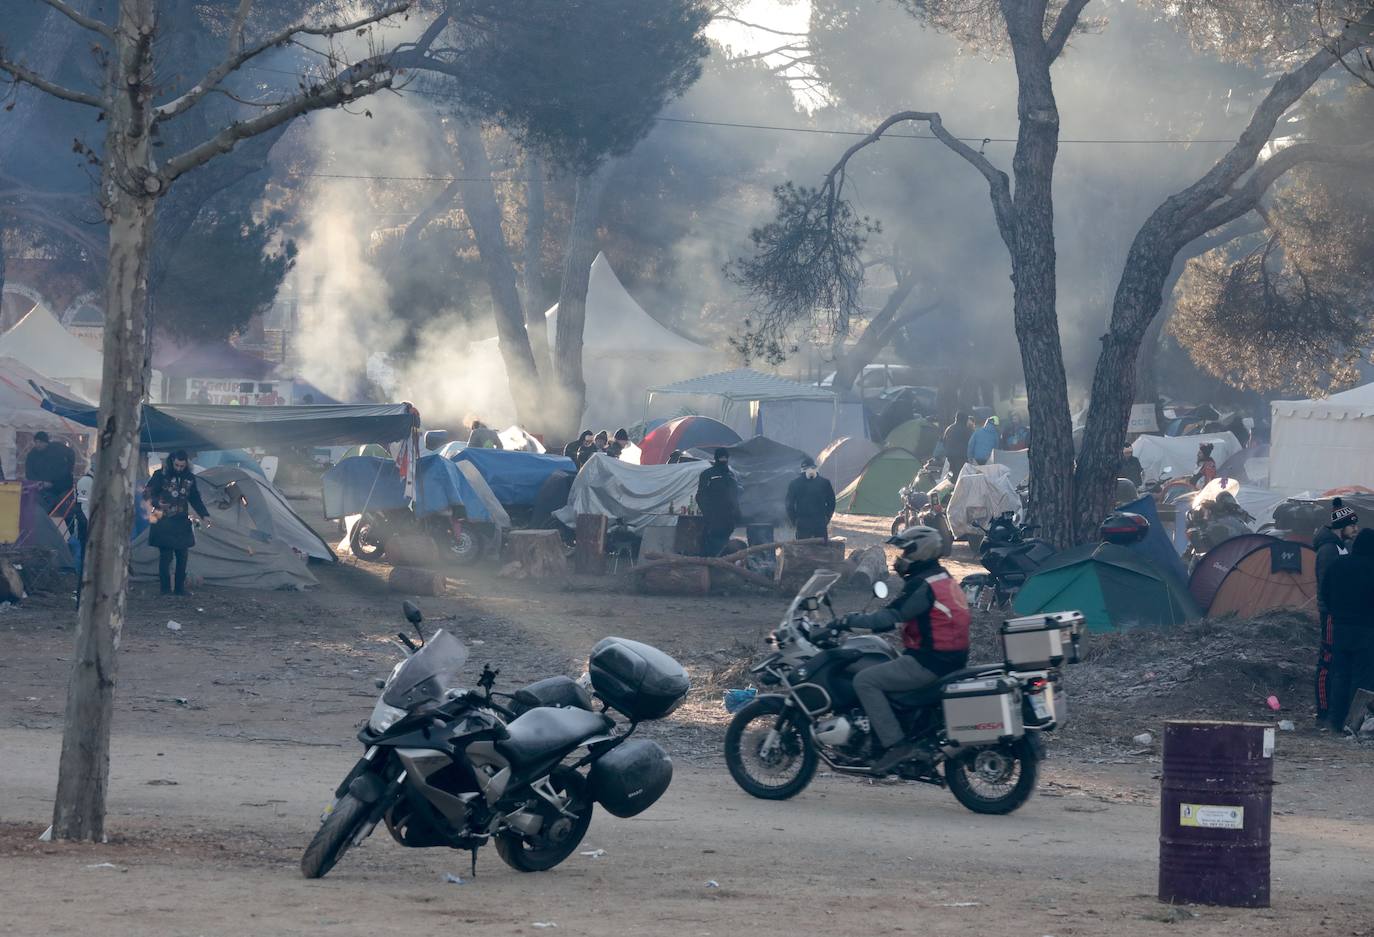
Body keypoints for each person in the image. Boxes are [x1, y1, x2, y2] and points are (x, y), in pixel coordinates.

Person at [833, 526, 970, 773]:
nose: (901, 557)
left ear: (921, 552)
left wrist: (848, 621)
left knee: (865, 680)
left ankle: (895, 745)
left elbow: (889, 618)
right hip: (950, 658)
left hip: (929, 661)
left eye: (906, 550)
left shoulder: (922, 584)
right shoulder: (942, 577)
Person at [1319, 527, 1374, 733]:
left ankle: (1335, 720)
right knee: (1363, 678)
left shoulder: (1338, 565)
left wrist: (1338, 612)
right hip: (1368, 630)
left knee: (1340, 674)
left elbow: (1325, 593)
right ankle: (1353, 723)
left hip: (1340, 627)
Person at [1314, 498, 1359, 727]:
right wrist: (1332, 608)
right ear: (1342, 526)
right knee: (1327, 659)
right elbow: (1326, 585)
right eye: (1352, 525)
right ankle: (1322, 711)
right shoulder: (1329, 550)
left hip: (1340, 613)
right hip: (1331, 613)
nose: (1355, 528)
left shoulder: (1343, 547)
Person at [144, 450, 211, 596]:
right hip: (163, 521)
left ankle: (180, 589)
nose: (179, 468)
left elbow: (195, 498)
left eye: (182, 466)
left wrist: (204, 515)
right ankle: (165, 589)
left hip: (181, 521)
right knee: (166, 557)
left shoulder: (190, 478)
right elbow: (147, 493)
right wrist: (158, 502)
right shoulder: (159, 475)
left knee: (182, 556)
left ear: (186, 464)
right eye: (177, 465)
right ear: (171, 462)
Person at [696, 448, 740, 557]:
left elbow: (735, 496)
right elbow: (700, 496)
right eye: (721, 457)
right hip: (713, 518)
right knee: (711, 545)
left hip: (728, 519)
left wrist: (737, 512)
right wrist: (708, 513)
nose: (723, 459)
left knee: (724, 545)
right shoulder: (708, 474)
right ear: (716, 458)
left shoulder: (731, 475)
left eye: (725, 457)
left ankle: (722, 566)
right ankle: (710, 567)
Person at [785, 456, 836, 541]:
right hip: (816, 522)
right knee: (821, 550)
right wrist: (827, 517)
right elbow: (832, 503)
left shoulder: (794, 483)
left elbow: (789, 505)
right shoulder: (824, 482)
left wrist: (794, 521)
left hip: (806, 522)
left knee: (803, 549)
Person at [25, 431, 76, 515]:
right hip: (45, 491)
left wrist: (69, 468)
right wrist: (40, 483)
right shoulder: (32, 455)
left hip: (62, 487)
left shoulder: (57, 448)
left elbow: (71, 453)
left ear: (46, 442)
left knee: (67, 512)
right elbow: (29, 473)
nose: (38, 444)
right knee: (43, 513)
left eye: (40, 442)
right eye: (36, 442)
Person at [942, 412, 973, 477]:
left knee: (953, 473)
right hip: (961, 456)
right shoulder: (966, 430)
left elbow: (944, 441)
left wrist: (947, 451)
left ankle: (953, 485)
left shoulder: (949, 428)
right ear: (965, 419)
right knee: (961, 474)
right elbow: (971, 443)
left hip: (950, 455)